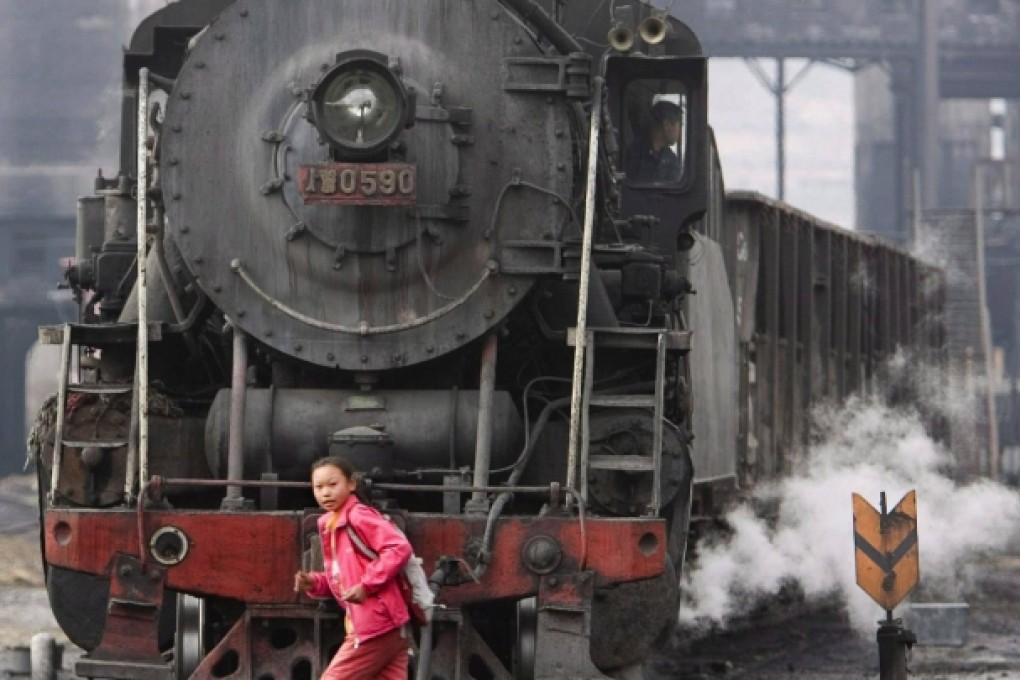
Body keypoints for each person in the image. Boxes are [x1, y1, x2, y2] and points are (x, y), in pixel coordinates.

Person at [294, 456, 414, 680]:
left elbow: (398, 548)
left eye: (333, 485)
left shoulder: (358, 515)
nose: (326, 493)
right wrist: (315, 583)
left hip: (376, 625)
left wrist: (366, 586)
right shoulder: (332, 522)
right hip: (389, 626)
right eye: (318, 487)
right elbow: (345, 576)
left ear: (351, 484)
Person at [624, 99, 683, 183]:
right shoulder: (634, 152)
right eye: (679, 126)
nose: (680, 132)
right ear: (666, 125)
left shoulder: (671, 160)